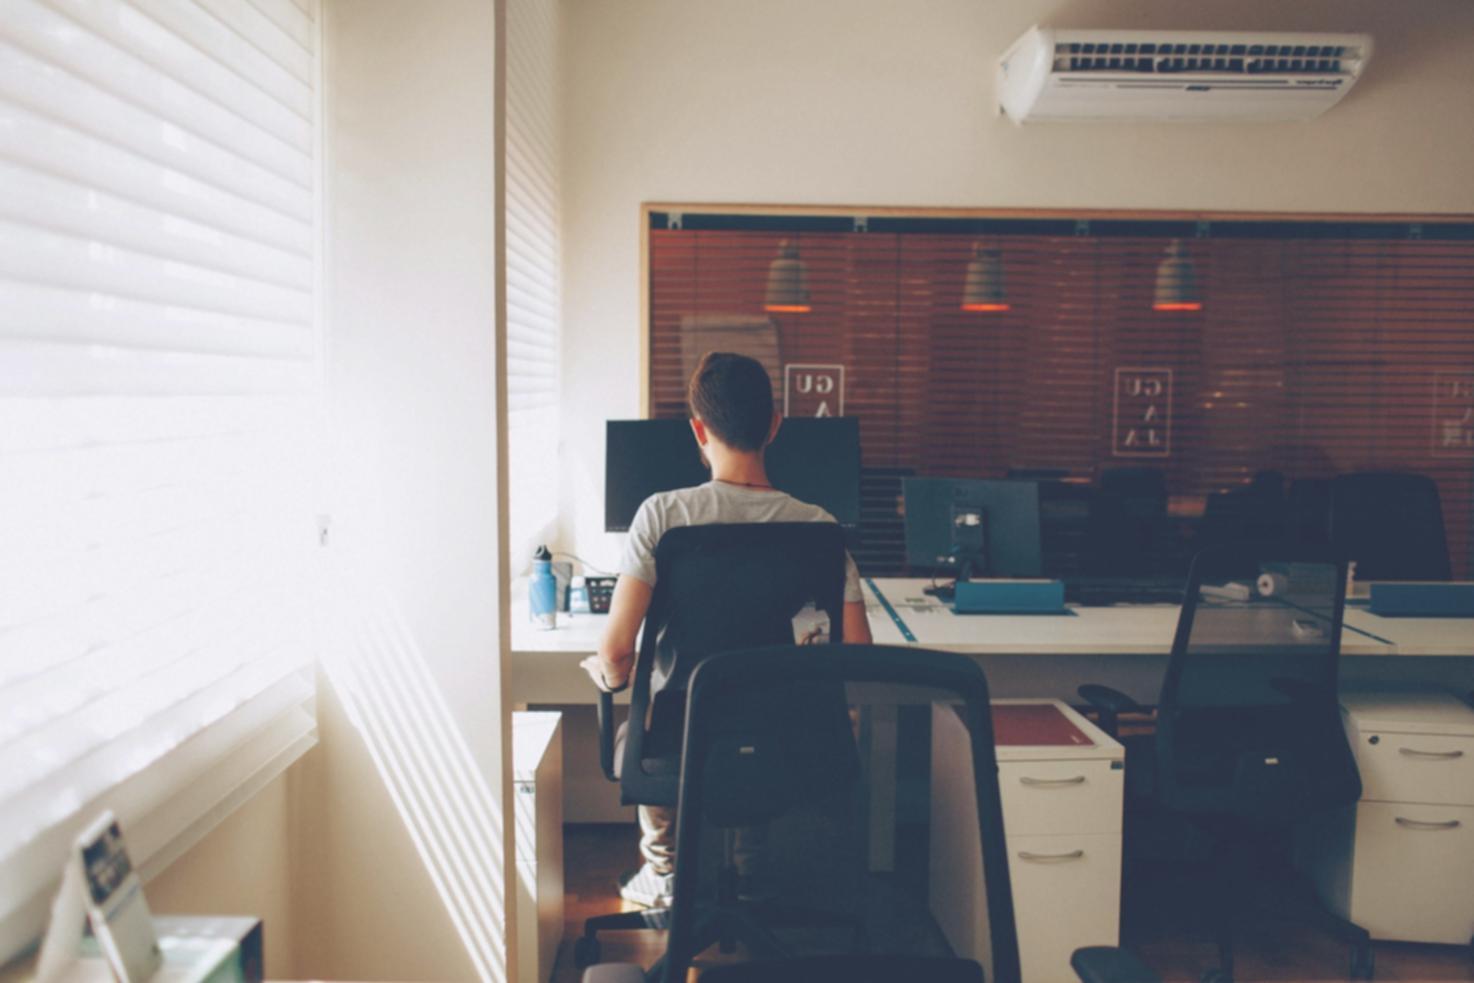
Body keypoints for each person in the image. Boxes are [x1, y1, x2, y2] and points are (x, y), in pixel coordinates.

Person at [580, 351, 871, 907]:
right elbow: (855, 654)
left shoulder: (663, 517)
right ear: (774, 425)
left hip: (685, 739)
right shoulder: (819, 528)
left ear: (698, 428)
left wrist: (613, 674)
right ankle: (749, 870)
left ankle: (664, 872)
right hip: (790, 741)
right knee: (764, 714)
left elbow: (617, 652)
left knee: (660, 711)